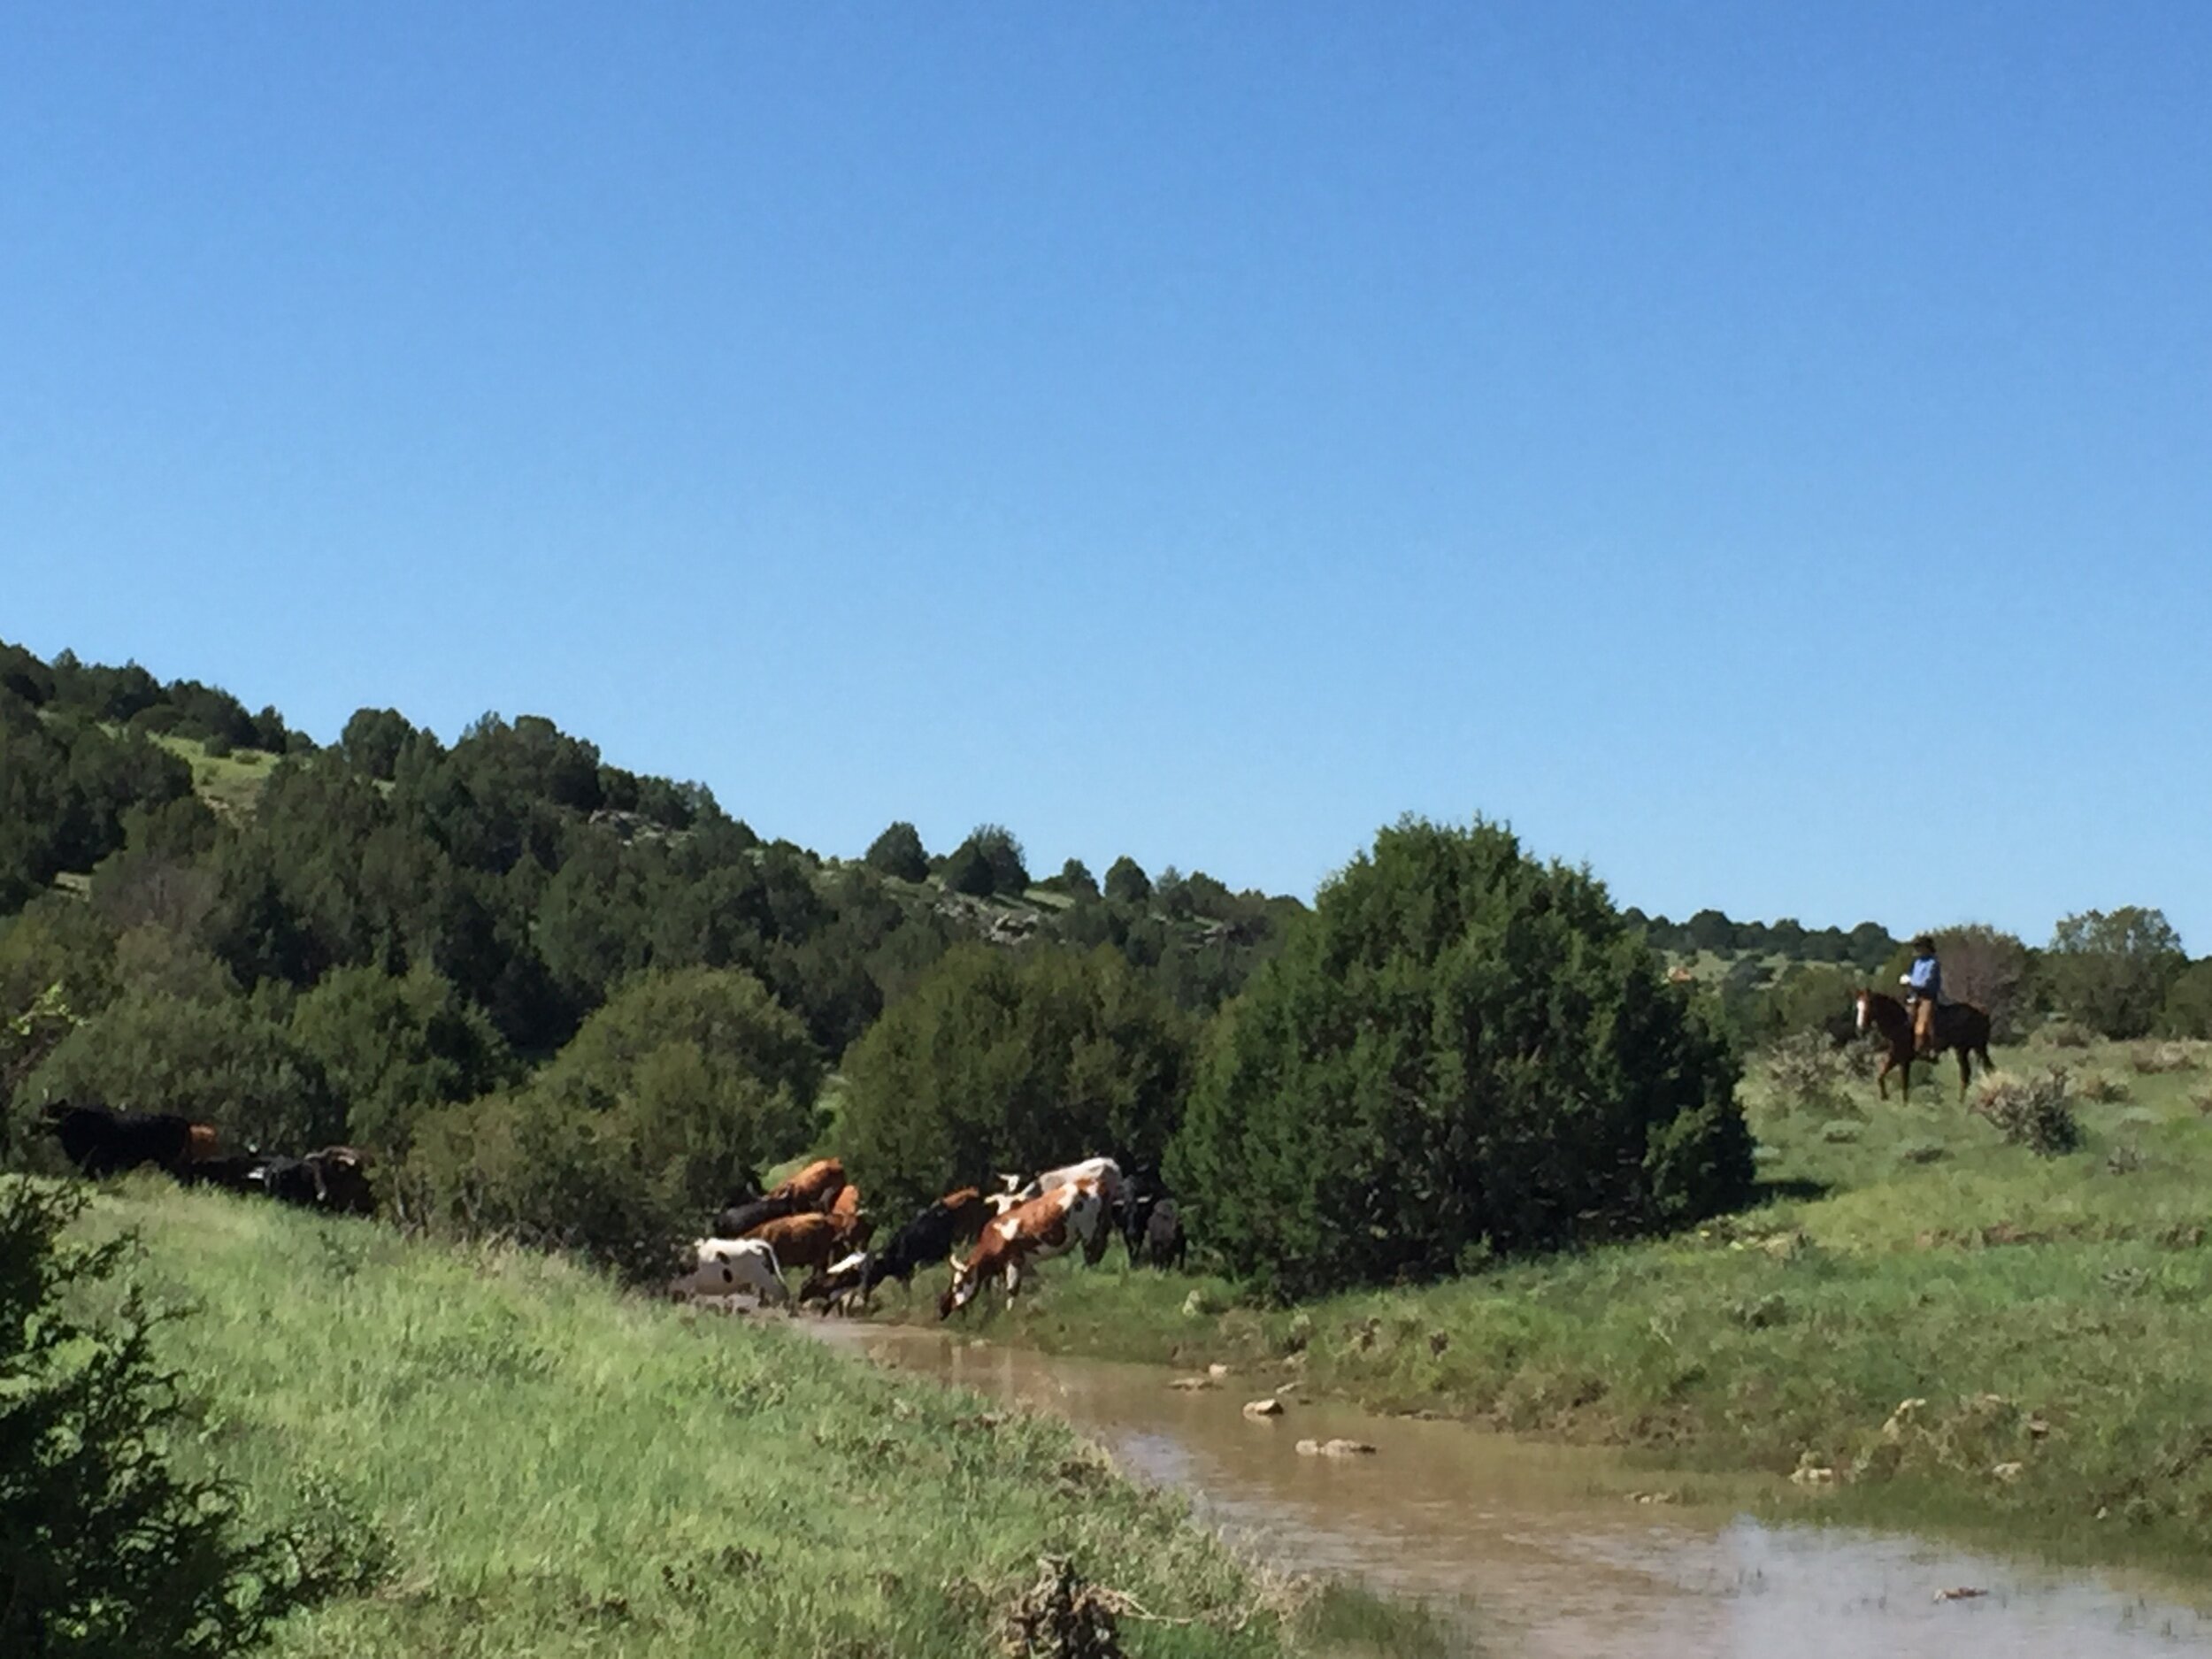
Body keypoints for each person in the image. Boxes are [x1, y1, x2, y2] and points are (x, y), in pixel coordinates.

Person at [1901, 935, 1942, 1059]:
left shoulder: (1933, 963)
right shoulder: (1917, 963)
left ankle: (1927, 1048)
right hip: (1915, 995)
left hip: (1927, 996)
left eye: (1919, 947)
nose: (1917, 949)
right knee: (1905, 1019)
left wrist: (1910, 982)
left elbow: (1926, 982)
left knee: (1923, 1022)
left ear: (1927, 948)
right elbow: (1914, 977)